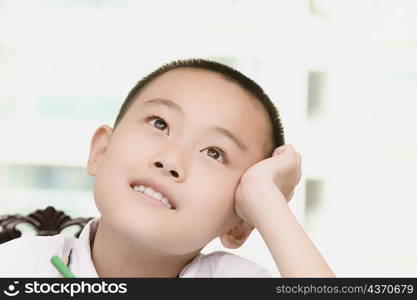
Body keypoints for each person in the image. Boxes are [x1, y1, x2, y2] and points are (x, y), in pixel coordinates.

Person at [0, 59, 334, 277]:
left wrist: (267, 200)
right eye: (160, 124)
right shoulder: (18, 267)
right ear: (101, 151)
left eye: (214, 153)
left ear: (240, 224)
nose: (171, 160)